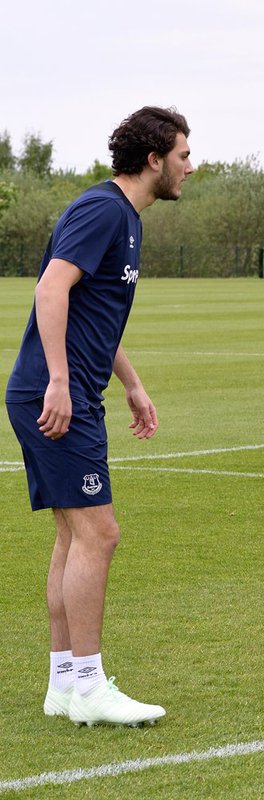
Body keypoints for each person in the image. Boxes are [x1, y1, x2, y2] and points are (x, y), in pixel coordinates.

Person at [6, 106, 193, 726]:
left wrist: (132, 384)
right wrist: (59, 382)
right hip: (56, 394)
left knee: (73, 535)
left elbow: (93, 314)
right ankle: (89, 684)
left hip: (70, 391)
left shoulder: (126, 218)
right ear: (154, 159)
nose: (190, 166)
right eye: (184, 155)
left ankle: (64, 683)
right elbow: (50, 289)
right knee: (99, 534)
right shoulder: (104, 210)